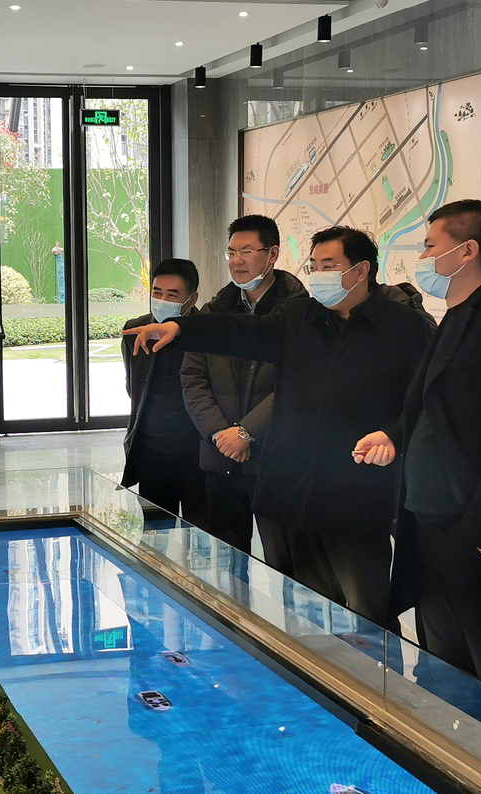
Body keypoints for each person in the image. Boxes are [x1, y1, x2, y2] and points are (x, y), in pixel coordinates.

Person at [124, 228, 433, 627]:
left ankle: (371, 667)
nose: (317, 274)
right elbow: (244, 333)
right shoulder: (300, 316)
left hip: (355, 490)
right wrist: (183, 330)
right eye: (313, 265)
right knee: (305, 603)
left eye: (329, 266)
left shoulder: (404, 328)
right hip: (295, 486)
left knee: (365, 609)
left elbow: (425, 399)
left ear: (360, 271)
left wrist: (394, 434)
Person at [354, 199, 481, 757]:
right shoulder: (454, 316)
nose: (423, 257)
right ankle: (460, 764)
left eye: (429, 246)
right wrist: (392, 436)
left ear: (466, 251)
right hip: (430, 520)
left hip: (473, 530)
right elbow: (430, 408)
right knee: (446, 665)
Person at [180, 215, 307, 563]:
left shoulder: (300, 314)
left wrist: (247, 432)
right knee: (225, 561)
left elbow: (298, 382)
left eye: (247, 251)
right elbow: (192, 377)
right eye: (231, 252)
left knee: (286, 561)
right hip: (221, 456)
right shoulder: (214, 311)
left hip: (276, 460)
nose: (237, 261)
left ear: (272, 254)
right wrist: (219, 433)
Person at [121, 258, 209, 527]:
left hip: (198, 454)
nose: (162, 300)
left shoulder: (209, 333)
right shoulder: (135, 331)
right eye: (157, 293)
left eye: (173, 295)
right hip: (152, 452)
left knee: (201, 534)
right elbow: (133, 386)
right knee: (155, 532)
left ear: (192, 299)